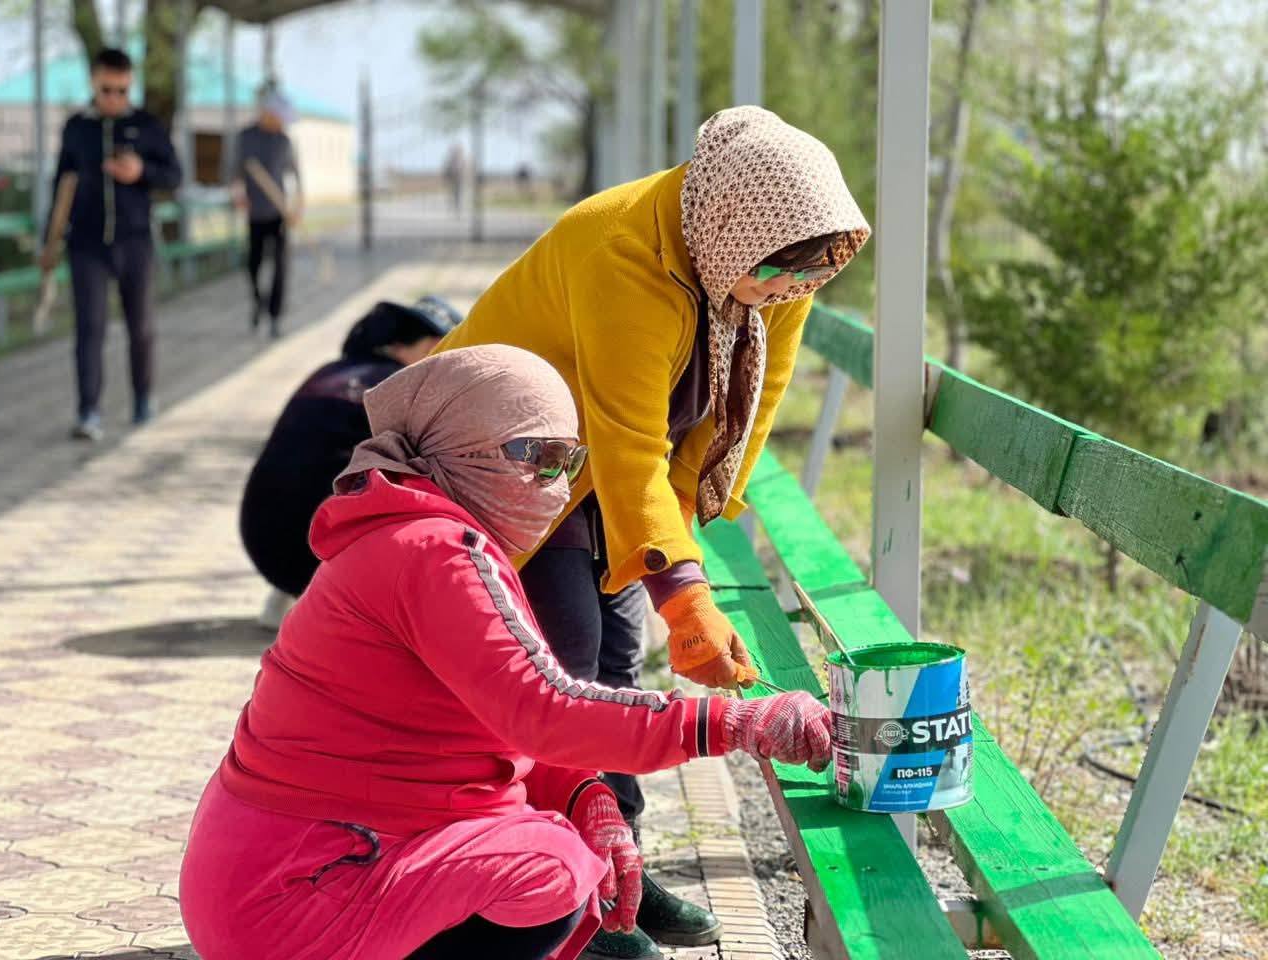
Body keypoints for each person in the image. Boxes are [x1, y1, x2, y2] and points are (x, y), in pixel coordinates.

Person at [179, 344, 831, 960]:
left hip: (271, 873)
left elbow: (492, 719)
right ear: (459, 449)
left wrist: (580, 793)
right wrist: (734, 722)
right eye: (536, 455)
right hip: (300, 886)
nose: (556, 484)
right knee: (550, 870)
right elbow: (543, 708)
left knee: (554, 846)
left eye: (569, 461)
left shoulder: (416, 535)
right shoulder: (435, 552)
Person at [433, 105, 870, 957]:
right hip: (508, 457)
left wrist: (686, 536)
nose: (783, 294)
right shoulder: (623, 250)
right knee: (561, 658)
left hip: (593, 462)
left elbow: (748, 407)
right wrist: (685, 595)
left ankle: (617, 870)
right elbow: (628, 439)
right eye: (774, 277)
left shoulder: (777, 263)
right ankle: (552, 890)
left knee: (617, 660)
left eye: (802, 284)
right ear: (735, 229)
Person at [239, 296, 462, 629]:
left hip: (262, 540)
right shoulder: (403, 389)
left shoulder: (330, 371)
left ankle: (295, 595)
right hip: (317, 555)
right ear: (423, 346)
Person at [43, 47, 182, 441]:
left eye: (122, 91)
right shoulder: (76, 128)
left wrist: (141, 171)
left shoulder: (147, 125)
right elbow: (60, 185)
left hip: (135, 241)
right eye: (107, 90)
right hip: (86, 243)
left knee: (141, 327)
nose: (114, 98)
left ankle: (143, 399)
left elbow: (174, 175)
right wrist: (48, 241)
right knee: (89, 328)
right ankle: (88, 411)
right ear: (93, 82)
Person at [232, 86, 302, 337]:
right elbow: (234, 171)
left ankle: (274, 317)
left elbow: (297, 177)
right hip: (255, 213)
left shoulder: (284, 141)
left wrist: (297, 207)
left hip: (279, 212)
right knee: (253, 264)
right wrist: (238, 194)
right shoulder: (245, 137)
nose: (281, 123)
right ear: (267, 112)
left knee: (280, 267)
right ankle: (258, 302)